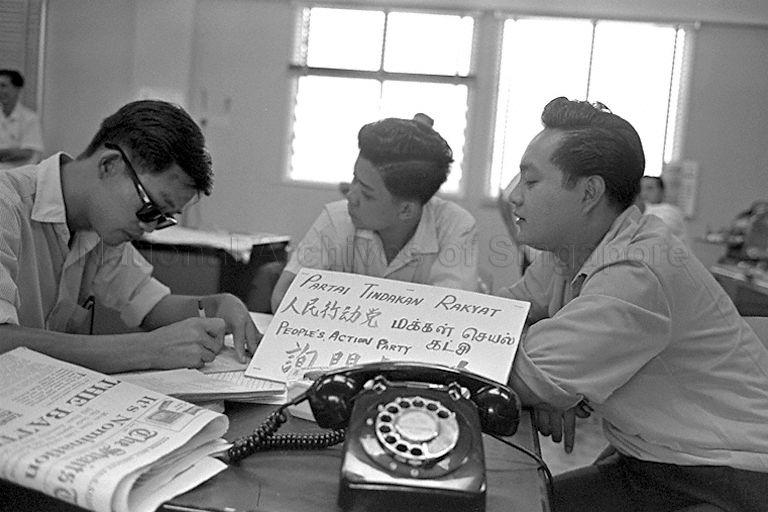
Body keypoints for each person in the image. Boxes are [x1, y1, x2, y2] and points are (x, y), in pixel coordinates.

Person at [497, 97, 768, 511]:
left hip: (724, 475)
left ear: (589, 193)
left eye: (531, 182)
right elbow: (497, 321)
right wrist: (557, 387)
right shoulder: (569, 252)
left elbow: (521, 376)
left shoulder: (639, 269)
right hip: (651, 459)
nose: (515, 197)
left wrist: (551, 387)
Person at [0, 100, 260, 373]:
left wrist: (216, 305)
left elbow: (151, 306)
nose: (148, 228)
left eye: (163, 219)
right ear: (110, 165)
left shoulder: (98, 230)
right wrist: (148, 350)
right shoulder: (7, 204)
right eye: (150, 209)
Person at [271, 114, 478, 312]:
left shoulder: (456, 227)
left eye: (367, 194)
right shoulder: (337, 218)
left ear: (406, 210)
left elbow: (451, 318)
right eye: (355, 179)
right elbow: (283, 299)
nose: (351, 196)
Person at [0, 69, 43, 170]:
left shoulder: (29, 118)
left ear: (17, 89)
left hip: (18, 176)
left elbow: (28, 152)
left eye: (3, 86)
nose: (0, 91)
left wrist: (5, 153)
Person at [639, 175, 689, 245]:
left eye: (649, 188)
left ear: (661, 192)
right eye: (640, 189)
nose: (643, 193)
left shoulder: (670, 212)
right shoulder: (640, 211)